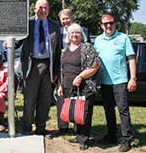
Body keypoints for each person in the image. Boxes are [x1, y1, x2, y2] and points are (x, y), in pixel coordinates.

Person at [14, 0, 61, 138]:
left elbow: (57, 50)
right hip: (31, 65)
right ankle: (26, 127)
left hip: (48, 65)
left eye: (45, 8)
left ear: (48, 10)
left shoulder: (54, 26)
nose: (42, 10)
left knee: (45, 99)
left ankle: (41, 128)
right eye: (40, 7)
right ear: (34, 9)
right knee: (29, 98)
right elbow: (19, 40)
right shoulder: (27, 23)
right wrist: (10, 44)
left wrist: (56, 71)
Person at [94, 13, 137, 152]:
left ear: (115, 24)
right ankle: (111, 135)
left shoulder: (123, 38)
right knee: (108, 110)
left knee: (123, 110)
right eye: (105, 23)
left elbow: (131, 59)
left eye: (111, 23)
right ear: (101, 25)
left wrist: (133, 78)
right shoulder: (98, 40)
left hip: (120, 81)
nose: (108, 26)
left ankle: (126, 139)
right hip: (104, 82)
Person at [57, 23, 101, 150]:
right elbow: (61, 69)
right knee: (74, 111)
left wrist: (81, 76)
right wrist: (60, 85)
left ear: (81, 34)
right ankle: (78, 135)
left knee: (84, 112)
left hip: (85, 86)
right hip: (67, 86)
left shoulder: (87, 47)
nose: (74, 35)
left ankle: (84, 139)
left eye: (77, 32)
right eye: (72, 33)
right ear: (68, 35)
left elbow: (96, 65)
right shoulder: (64, 51)